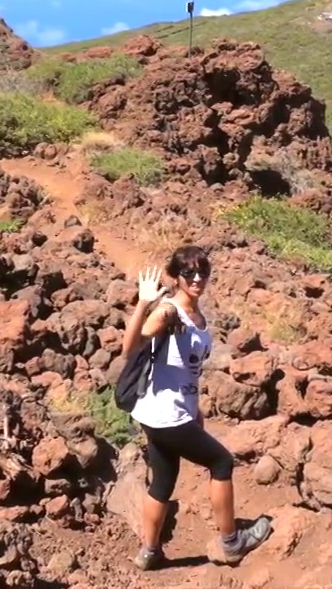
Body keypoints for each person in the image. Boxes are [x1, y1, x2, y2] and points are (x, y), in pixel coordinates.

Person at [121, 245, 272, 571]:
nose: (197, 278)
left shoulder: (197, 316)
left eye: (203, 271)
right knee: (221, 462)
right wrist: (144, 304)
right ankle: (232, 543)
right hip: (166, 416)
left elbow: (188, 370)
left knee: (163, 480)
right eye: (188, 272)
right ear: (175, 277)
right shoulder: (169, 312)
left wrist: (196, 409)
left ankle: (149, 552)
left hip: (162, 413)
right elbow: (130, 348)